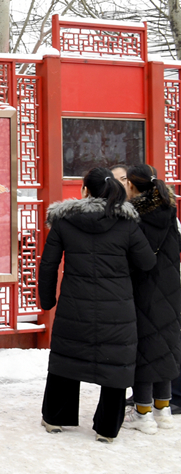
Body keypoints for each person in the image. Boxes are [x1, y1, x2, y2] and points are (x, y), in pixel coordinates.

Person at [37, 167, 156, 442]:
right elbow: (147, 262)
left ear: (85, 190)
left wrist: (47, 300)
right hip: (117, 308)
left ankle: (55, 418)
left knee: (67, 360)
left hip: (74, 307)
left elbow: (48, 265)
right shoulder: (126, 222)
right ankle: (106, 429)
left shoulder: (64, 221)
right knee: (115, 366)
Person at [120, 164, 181, 434]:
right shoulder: (169, 210)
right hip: (170, 289)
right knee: (165, 347)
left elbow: (135, 257)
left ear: (132, 185)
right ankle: (163, 412)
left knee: (143, 349)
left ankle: (143, 414)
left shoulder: (132, 216)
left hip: (142, 289)